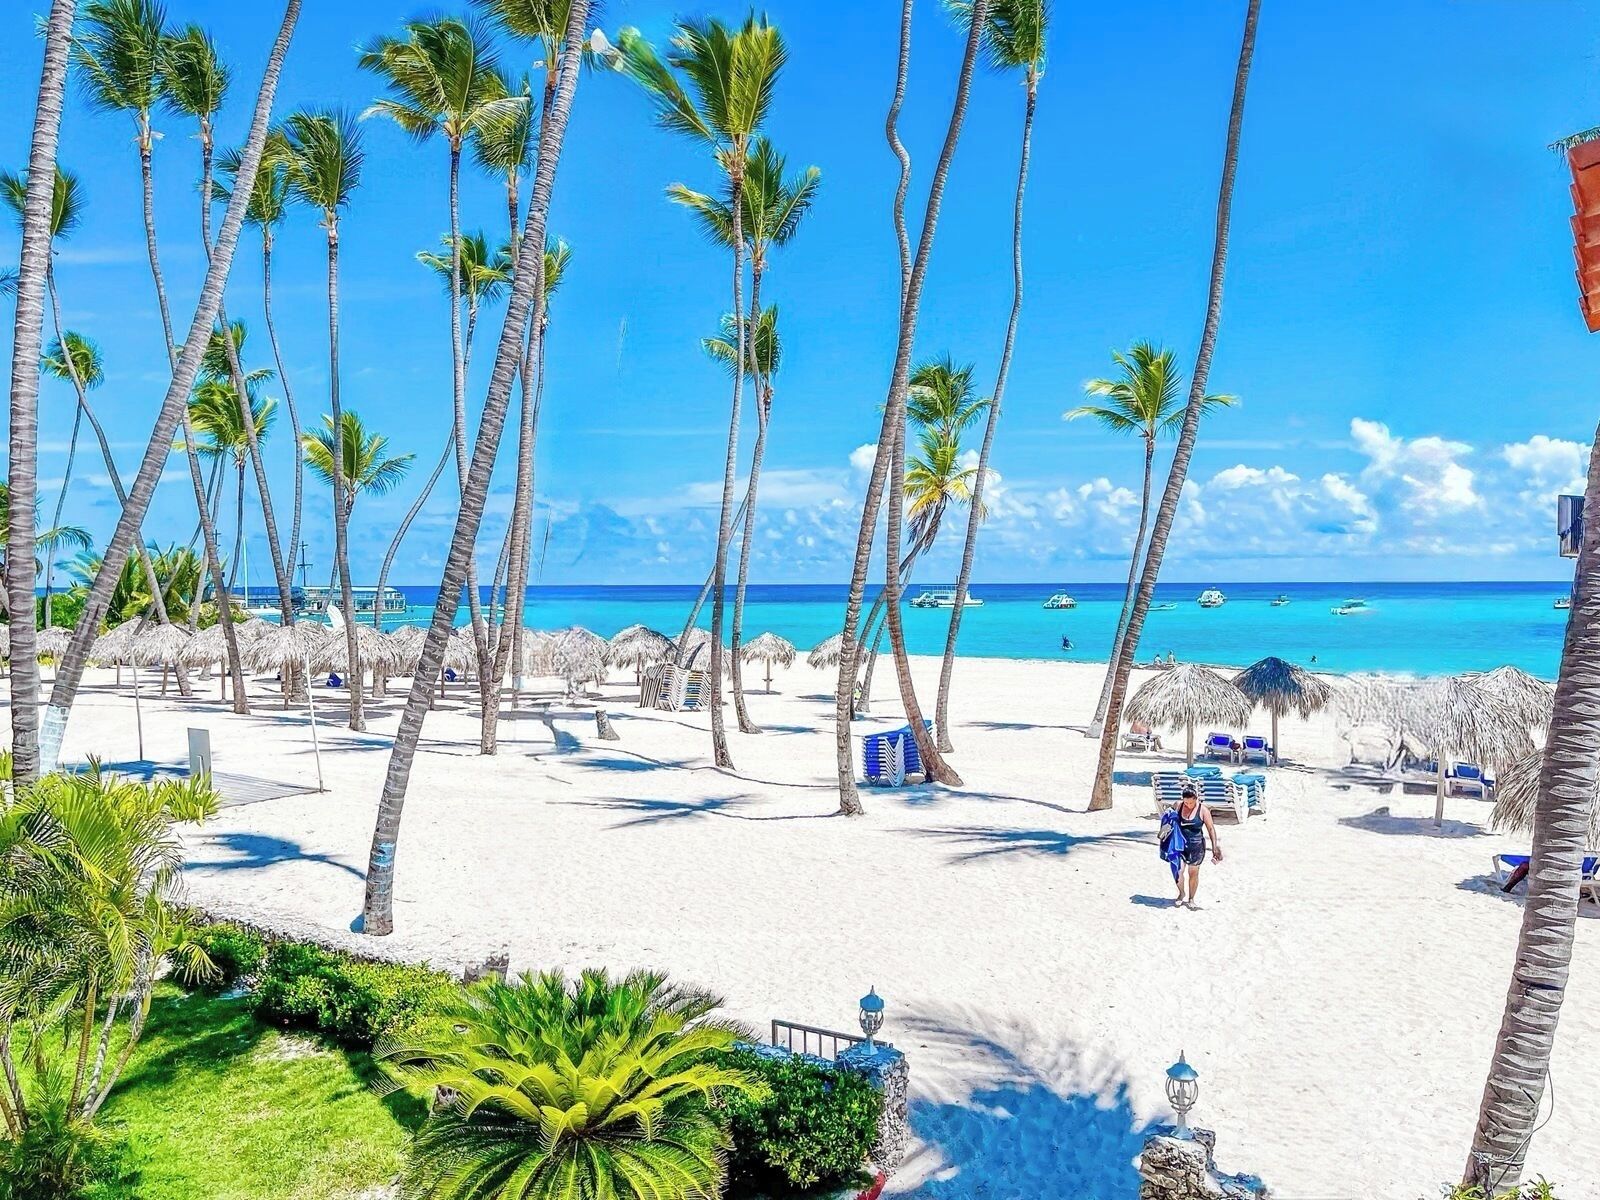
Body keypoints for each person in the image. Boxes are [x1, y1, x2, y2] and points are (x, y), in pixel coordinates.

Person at [1169, 785, 1222, 909]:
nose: (1188, 805)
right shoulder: (1178, 805)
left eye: (1191, 802)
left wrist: (1215, 847)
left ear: (1196, 799)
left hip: (1196, 846)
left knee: (1193, 873)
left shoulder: (1203, 810)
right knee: (1178, 870)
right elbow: (1169, 816)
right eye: (1186, 802)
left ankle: (1191, 898)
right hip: (1179, 845)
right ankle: (1181, 893)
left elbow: (1210, 829)